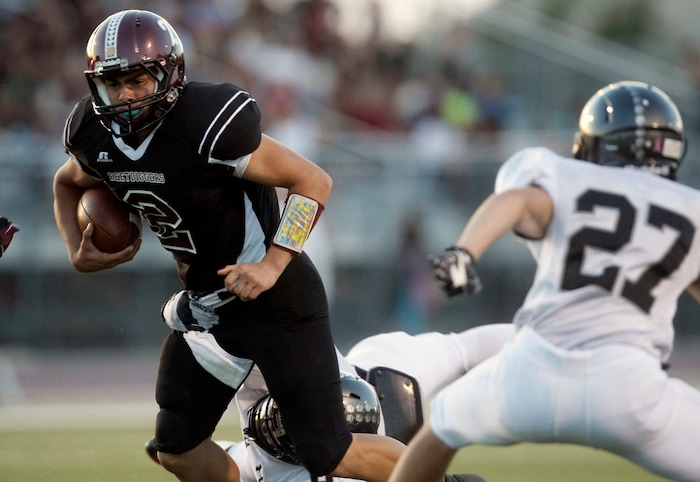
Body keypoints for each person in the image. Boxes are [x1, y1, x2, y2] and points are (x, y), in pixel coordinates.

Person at [53, 10, 404, 482]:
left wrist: (274, 263)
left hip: (276, 301)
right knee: (176, 450)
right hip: (208, 310)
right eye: (113, 84)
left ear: (169, 73)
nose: (125, 96)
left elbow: (312, 181)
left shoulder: (208, 122)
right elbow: (66, 182)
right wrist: (78, 249)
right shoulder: (94, 135)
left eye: (137, 80)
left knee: (328, 451)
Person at [389, 80, 700, 482]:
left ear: (594, 144)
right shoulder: (690, 209)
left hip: (533, 369)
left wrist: (464, 252)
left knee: (440, 428)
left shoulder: (566, 176)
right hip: (630, 388)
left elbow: (516, 200)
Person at [145, 323, 515, 481]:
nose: (271, 427)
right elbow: (467, 348)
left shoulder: (281, 466)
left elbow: (239, 461)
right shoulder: (389, 365)